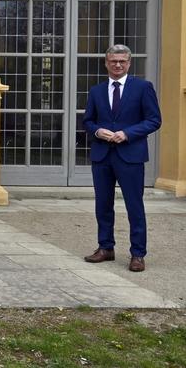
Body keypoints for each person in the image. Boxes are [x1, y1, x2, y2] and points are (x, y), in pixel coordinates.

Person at [82, 44, 161, 272]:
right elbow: (88, 121)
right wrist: (98, 131)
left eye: (122, 61)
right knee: (103, 205)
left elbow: (154, 120)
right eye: (113, 61)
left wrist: (128, 133)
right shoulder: (96, 91)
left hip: (131, 155)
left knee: (134, 206)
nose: (118, 65)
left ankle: (137, 254)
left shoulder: (143, 88)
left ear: (129, 63)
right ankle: (105, 248)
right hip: (102, 155)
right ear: (106, 63)